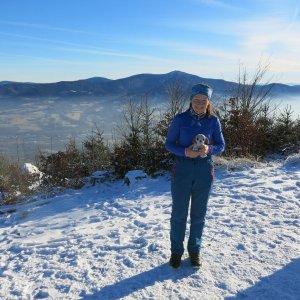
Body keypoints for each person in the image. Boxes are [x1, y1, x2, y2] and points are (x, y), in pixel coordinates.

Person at [165, 83, 225, 268]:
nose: (200, 104)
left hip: (204, 170)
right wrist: (184, 152)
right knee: (179, 214)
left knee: (199, 214)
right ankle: (176, 252)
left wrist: (209, 149)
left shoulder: (213, 121)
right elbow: (169, 144)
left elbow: (221, 145)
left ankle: (195, 250)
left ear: (208, 102)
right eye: (196, 100)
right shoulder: (180, 119)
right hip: (182, 169)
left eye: (204, 101)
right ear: (191, 101)